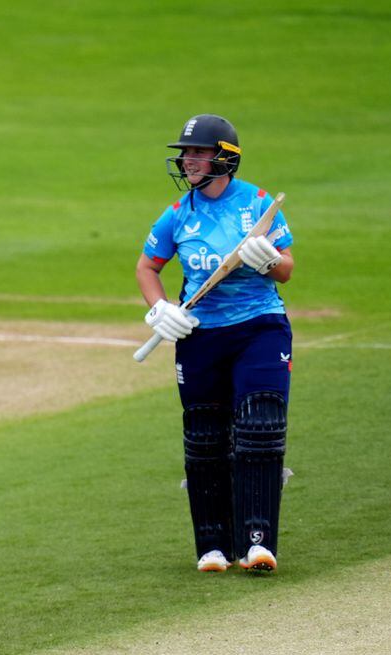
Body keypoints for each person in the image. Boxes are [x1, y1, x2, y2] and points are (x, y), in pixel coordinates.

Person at [135, 114, 294, 574]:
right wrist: (159, 309)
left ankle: (259, 543)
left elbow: (286, 268)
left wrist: (269, 262)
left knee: (259, 431)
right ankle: (213, 547)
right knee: (205, 439)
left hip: (259, 327)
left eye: (197, 152)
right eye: (185, 153)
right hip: (200, 334)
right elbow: (147, 267)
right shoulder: (177, 215)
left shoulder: (258, 204)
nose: (187, 160)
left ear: (224, 157)